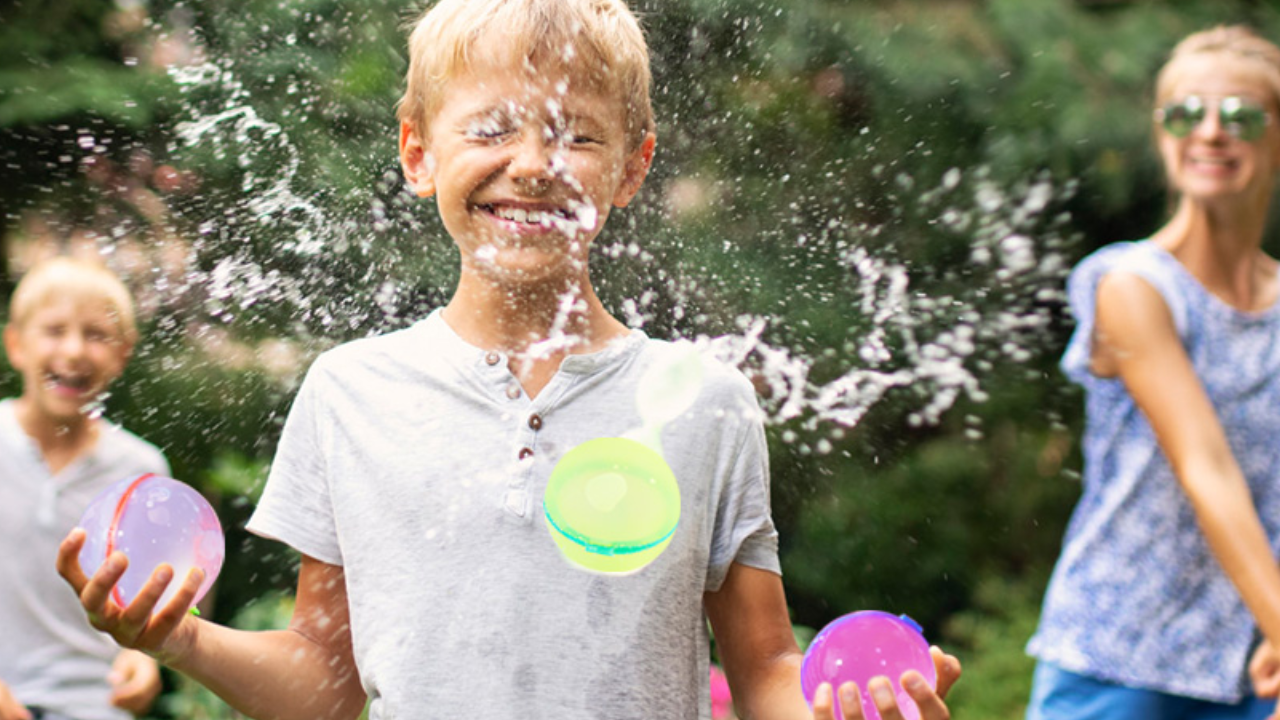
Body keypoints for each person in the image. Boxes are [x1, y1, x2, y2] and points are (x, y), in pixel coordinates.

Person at [54, 1, 962, 719]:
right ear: (419, 151)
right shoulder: (349, 394)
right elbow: (327, 688)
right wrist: (178, 640)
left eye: (577, 136)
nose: (533, 165)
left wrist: (852, 712)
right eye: (490, 129)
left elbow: (764, 670)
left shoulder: (706, 405)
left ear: (632, 167)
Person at [1026, 25, 1280, 720]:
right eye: (1184, 113)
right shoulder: (1132, 285)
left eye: (1241, 116)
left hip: (1252, 665)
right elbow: (1206, 467)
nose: (1211, 132)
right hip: (1120, 658)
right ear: (1161, 132)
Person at [1, 256, 168, 720]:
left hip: (95, 707)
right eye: (54, 330)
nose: (74, 350)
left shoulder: (141, 470)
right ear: (15, 344)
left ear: (123, 353)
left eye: (96, 335)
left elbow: (146, 603)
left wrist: (141, 658)